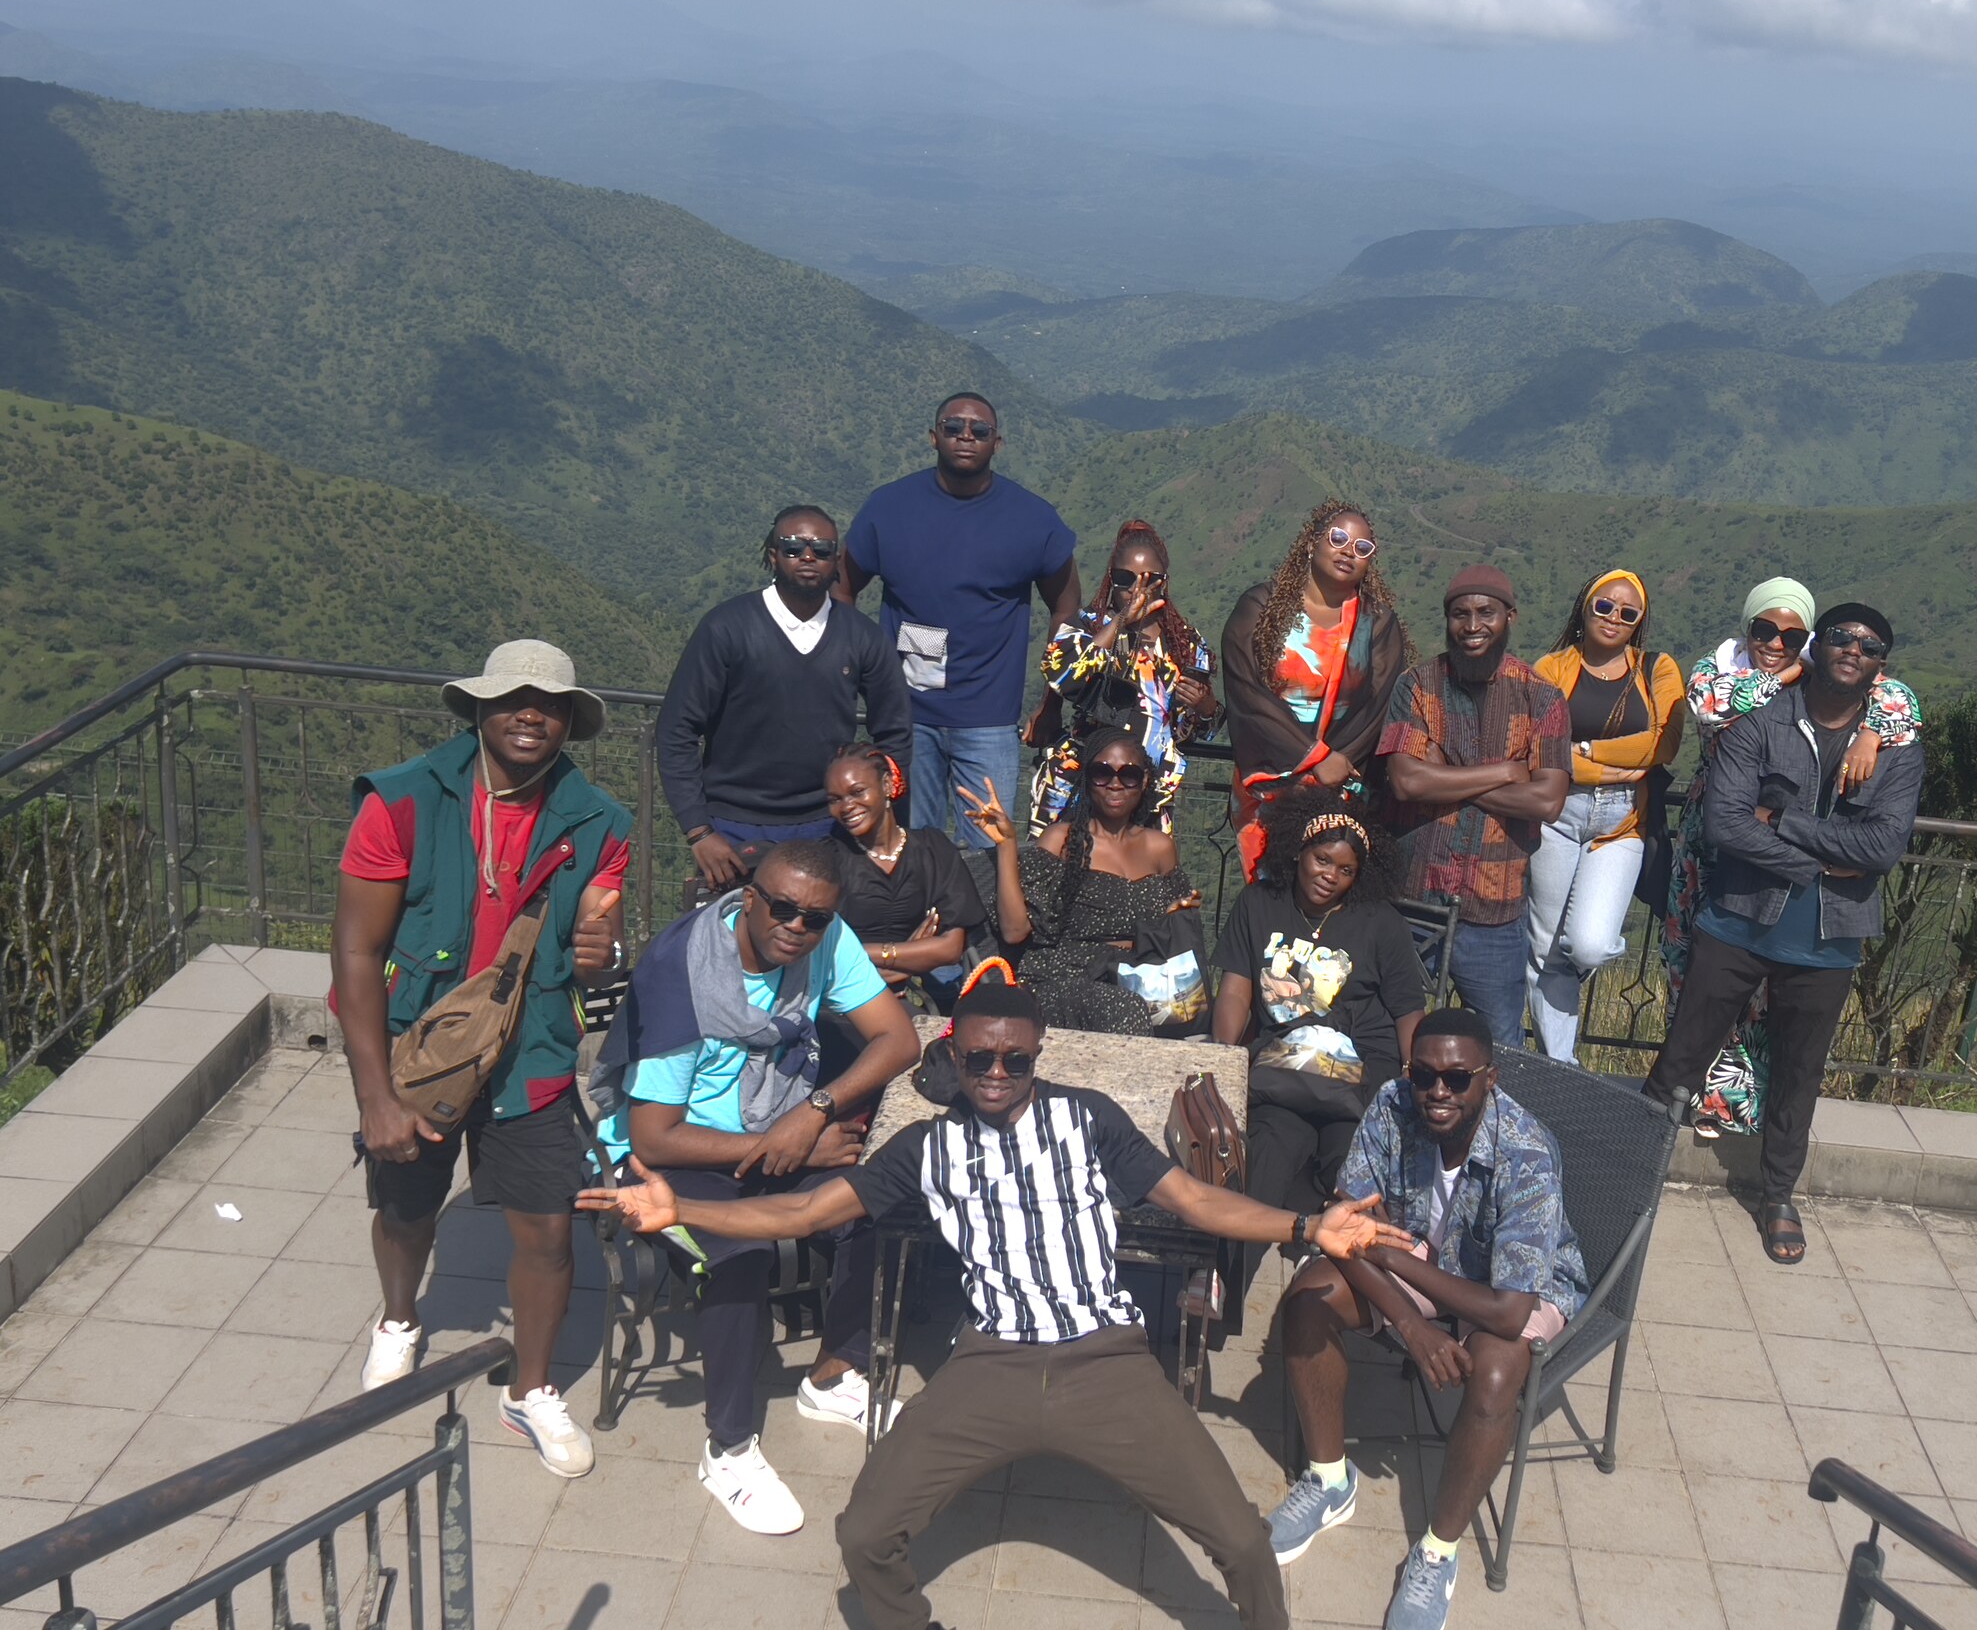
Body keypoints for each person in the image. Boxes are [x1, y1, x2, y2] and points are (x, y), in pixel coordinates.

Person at [577, 967, 1414, 1630]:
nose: (998, 1073)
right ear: (955, 1053)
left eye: (1017, 1059)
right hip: (991, 1365)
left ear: (1037, 1055)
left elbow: (1195, 1203)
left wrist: (1308, 1228)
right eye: (981, 1058)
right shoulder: (924, 1148)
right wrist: (681, 1207)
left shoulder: (1087, 1120)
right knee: (864, 1536)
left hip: (1106, 1363)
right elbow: (802, 1210)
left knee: (1240, 1541)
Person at [333, 640, 630, 1479]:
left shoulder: (599, 822)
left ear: (571, 720)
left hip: (530, 1051)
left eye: (550, 702)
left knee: (547, 1228)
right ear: (477, 710)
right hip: (421, 1050)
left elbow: (596, 952)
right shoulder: (401, 802)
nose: (531, 713)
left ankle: (529, 1389)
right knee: (405, 1206)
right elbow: (355, 956)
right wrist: (374, 1098)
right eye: (512, 698)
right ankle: (400, 1319)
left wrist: (604, 948)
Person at [588, 838, 923, 1529]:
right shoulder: (683, 977)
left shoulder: (824, 941)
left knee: (871, 1202)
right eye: (783, 908)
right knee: (735, 1258)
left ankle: (833, 1373)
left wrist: (813, 1113)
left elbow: (900, 1039)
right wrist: (785, 1146)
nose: (796, 927)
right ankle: (729, 1446)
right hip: (673, 1156)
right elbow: (655, 1135)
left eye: (815, 918)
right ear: (749, 899)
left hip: (774, 1127)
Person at [1273, 1007, 1588, 1630]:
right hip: (1421, 1250)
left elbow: (1508, 1307)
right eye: (1424, 1075)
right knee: (1307, 1301)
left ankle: (1438, 1553)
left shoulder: (1526, 1151)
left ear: (1489, 1078)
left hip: (1512, 1282)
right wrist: (1412, 1327)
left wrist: (1391, 1258)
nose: (1437, 1091)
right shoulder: (1392, 1105)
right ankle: (1331, 1480)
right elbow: (1345, 1230)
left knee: (1498, 1372)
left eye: (1458, 1077)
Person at [1644, 603, 1927, 1265]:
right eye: (1840, 638)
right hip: (1737, 921)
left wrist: (1787, 825)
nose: (1853, 649)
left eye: (1869, 645)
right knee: (1681, 1058)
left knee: (1799, 1076)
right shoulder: (1761, 725)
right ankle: (1634, 1166)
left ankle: (1777, 1196)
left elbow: (1884, 846)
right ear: (1816, 648)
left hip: (1827, 944)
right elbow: (1728, 825)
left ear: (1881, 665)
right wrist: (1825, 863)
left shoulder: (1896, 749)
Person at [841, 391, 1080, 849]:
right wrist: (856, 673)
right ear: (934, 437)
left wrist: (1053, 700)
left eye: (979, 430)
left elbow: (1066, 607)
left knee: (990, 857)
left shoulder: (1032, 520)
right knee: (909, 848)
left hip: (989, 721)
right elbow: (843, 586)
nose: (965, 437)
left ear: (997, 443)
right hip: (906, 718)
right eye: (953, 428)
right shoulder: (889, 509)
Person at [660, 503, 913, 890]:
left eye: (822, 549)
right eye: (793, 547)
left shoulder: (862, 637)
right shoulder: (726, 628)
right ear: (772, 555)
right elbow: (677, 731)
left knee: (815, 938)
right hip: (732, 829)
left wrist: (873, 810)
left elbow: (895, 732)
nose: (808, 557)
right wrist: (699, 832)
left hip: (831, 824)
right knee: (736, 944)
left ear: (837, 560)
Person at [1211, 787, 1427, 1229]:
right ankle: (1226, 1284)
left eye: (1346, 870)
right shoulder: (1258, 904)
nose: (1331, 875)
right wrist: (1222, 1054)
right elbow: (1236, 990)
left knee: (1351, 1171)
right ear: (1298, 852)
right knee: (1267, 1152)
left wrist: (1415, 1071)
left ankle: (1335, 1282)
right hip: (1283, 1070)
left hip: (1361, 1074)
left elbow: (1407, 1008)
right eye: (1322, 860)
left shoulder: (1380, 922)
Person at [1377, 566, 1569, 1039]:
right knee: (1385, 1027)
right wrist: (1507, 772)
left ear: (1510, 617)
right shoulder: (1418, 686)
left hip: (1495, 908)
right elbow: (1404, 782)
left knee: (1499, 1043)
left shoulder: (1542, 698)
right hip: (1414, 896)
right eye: (1460, 614)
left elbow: (1547, 801)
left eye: (1487, 613)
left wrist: (1445, 774)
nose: (1472, 625)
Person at [1524, 569, 1686, 1062]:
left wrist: (1587, 751)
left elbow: (1665, 741)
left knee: (1589, 947)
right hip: (1555, 814)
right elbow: (1537, 748)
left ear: (1639, 622)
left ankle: (1558, 1006)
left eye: (1627, 612)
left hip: (1622, 826)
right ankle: (1560, 1062)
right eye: (1604, 606)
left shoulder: (1655, 668)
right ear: (1584, 608)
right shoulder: (1551, 668)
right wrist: (1609, 769)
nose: (1614, 617)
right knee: (1544, 948)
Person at [958, 731, 1204, 1036]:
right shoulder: (1061, 840)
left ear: (1143, 783)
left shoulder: (1160, 848)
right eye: (1102, 773)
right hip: (1065, 978)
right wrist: (1007, 845)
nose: (1115, 783)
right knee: (1125, 1008)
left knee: (1195, 1011)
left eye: (1128, 775)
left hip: (1140, 977)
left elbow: (1174, 935)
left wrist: (1174, 914)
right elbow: (1014, 930)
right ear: (1088, 780)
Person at [1221, 500, 1410, 858]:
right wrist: (1313, 757)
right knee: (1268, 893)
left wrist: (1334, 765)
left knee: (1325, 889)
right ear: (1312, 543)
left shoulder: (1379, 623)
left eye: (1361, 547)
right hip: (1268, 781)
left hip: (1340, 785)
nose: (1348, 552)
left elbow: (1379, 706)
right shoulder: (1260, 606)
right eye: (1337, 538)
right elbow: (1247, 692)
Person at [1027, 519, 1219, 837]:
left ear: (1165, 583)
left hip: (1150, 792)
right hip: (1082, 785)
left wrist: (1206, 706)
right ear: (1110, 579)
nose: (1135, 590)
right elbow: (1060, 671)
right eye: (1124, 578)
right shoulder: (1089, 626)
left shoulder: (1185, 644)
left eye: (1150, 580)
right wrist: (1119, 622)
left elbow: (1193, 732)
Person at [824, 744, 986, 1006]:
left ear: (887, 785)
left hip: (906, 1000)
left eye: (857, 792)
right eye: (835, 799)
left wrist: (863, 955)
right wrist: (909, 956)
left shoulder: (933, 849)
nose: (846, 807)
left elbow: (949, 948)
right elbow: (824, 954)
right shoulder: (828, 860)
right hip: (839, 1002)